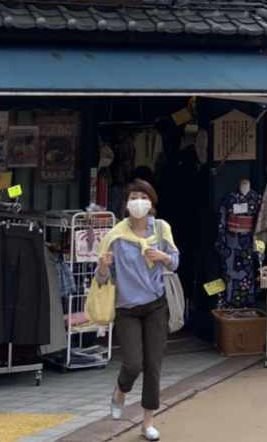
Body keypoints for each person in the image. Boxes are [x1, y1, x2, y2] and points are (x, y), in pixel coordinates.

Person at [97, 180, 180, 441]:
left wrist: (163, 257)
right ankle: (120, 391)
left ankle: (147, 422)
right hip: (127, 308)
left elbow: (176, 262)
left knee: (153, 365)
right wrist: (102, 266)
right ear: (126, 204)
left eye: (143, 197)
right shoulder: (116, 235)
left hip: (156, 305)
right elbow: (102, 279)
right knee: (133, 363)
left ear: (151, 203)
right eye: (133, 197)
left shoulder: (162, 228)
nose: (138, 201)